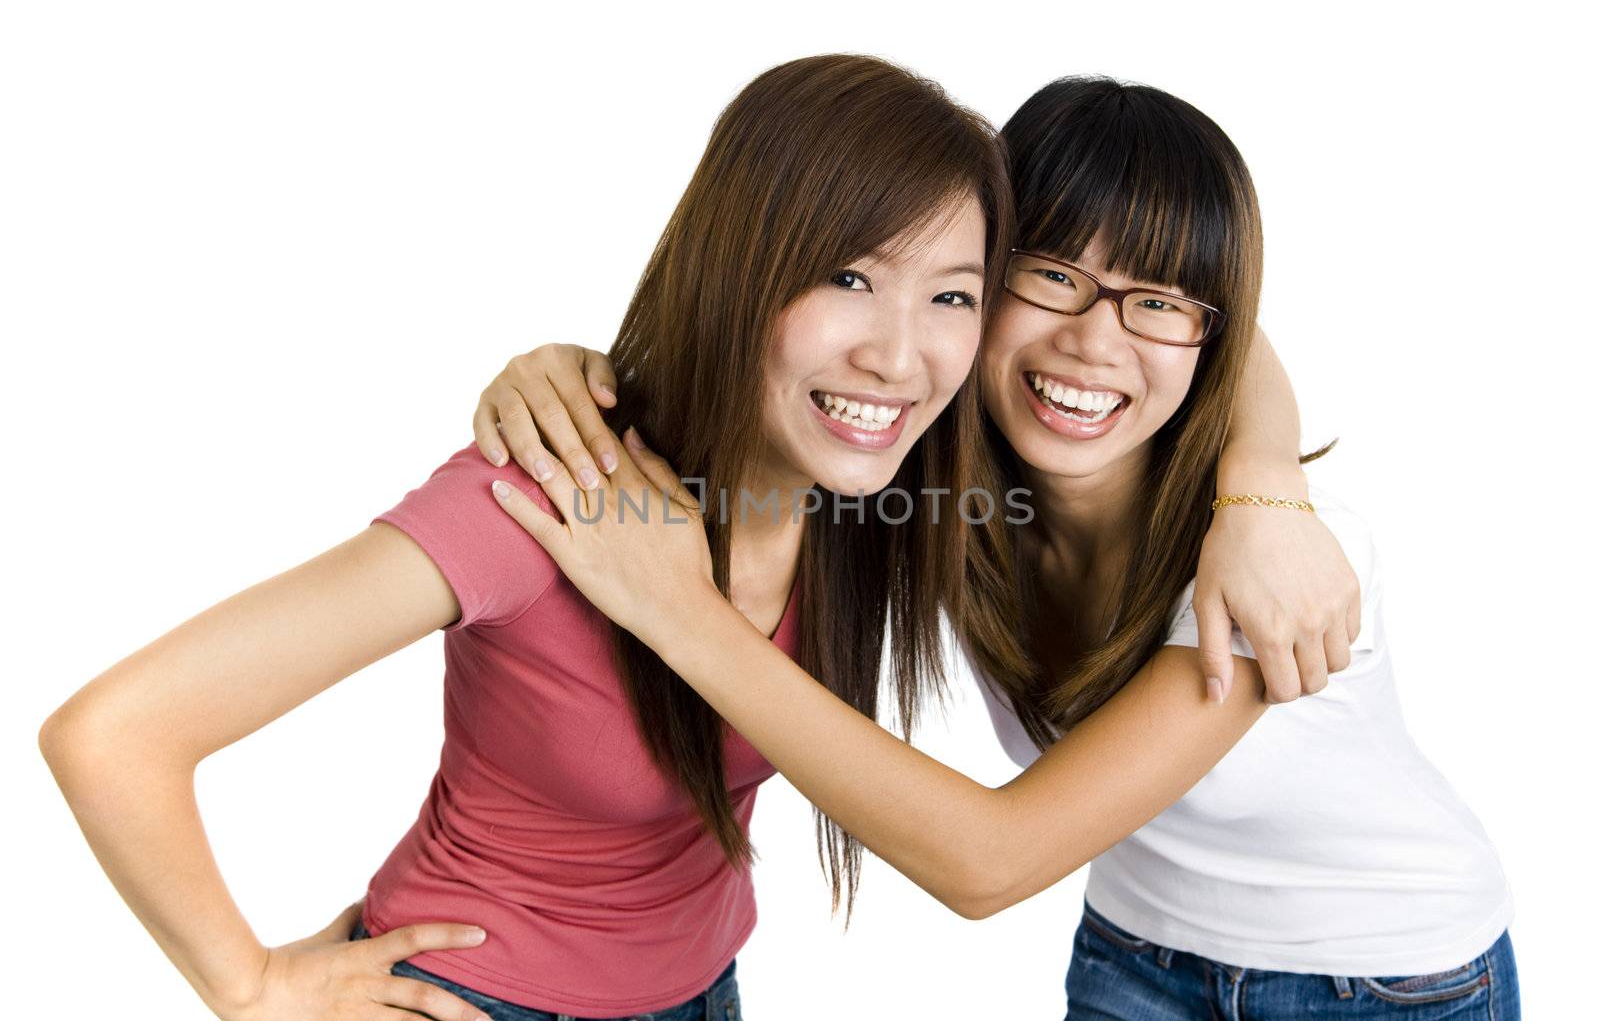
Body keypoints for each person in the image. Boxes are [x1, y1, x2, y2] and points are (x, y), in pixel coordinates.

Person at [478, 77, 1517, 1017]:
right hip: (1134, 957)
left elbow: (991, 861)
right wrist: (584, 379)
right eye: (1048, 276)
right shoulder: (932, 482)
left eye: (1153, 304)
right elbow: (774, 378)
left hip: (1386, 980)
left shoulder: (1271, 560)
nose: (1093, 341)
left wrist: (678, 613)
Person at [37, 53, 1018, 1021]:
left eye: (950, 295)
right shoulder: (549, 495)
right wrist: (247, 984)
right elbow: (113, 734)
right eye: (848, 275)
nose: (896, 355)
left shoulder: (873, 496)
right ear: (735, 269)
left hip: (706, 988)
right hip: (478, 996)